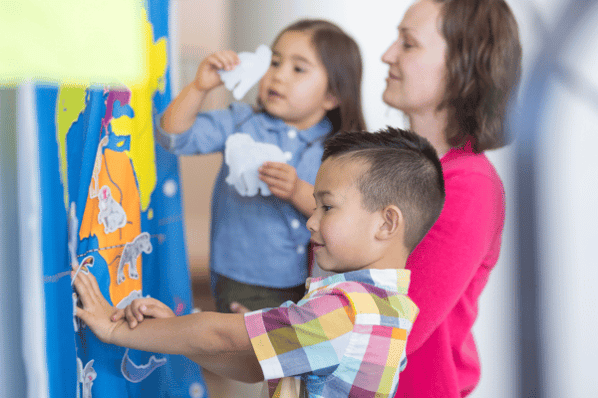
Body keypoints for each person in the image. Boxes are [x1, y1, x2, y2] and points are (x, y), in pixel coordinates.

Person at [73, 127, 446, 398]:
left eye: (327, 207)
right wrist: (175, 333)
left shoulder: (345, 313)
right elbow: (255, 364)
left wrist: (116, 330)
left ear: (387, 223)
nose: (311, 221)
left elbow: (222, 335)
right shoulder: (389, 309)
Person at [154, 19, 366, 314]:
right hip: (244, 279)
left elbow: (346, 216)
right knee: (249, 351)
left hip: (312, 281)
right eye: (275, 62)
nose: (278, 76)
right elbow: (173, 136)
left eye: (298, 68)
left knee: (286, 355)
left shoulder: (339, 149)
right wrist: (199, 87)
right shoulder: (240, 121)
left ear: (332, 95)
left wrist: (296, 191)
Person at [380, 0, 522, 396]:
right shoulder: (377, 166)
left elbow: (388, 334)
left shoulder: (470, 186)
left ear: (463, 66)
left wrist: (238, 340)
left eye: (408, 44)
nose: (387, 55)